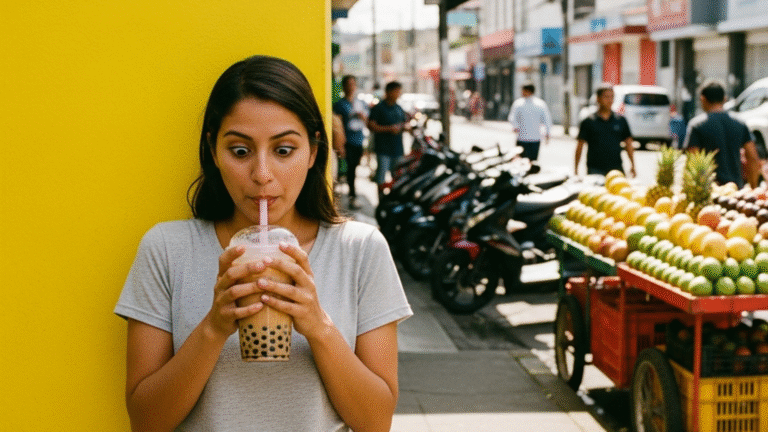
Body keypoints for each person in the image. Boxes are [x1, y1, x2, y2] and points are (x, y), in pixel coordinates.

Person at [114, 55, 412, 432]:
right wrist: (214, 327)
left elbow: (375, 421)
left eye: (284, 150)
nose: (262, 174)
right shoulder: (167, 249)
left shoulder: (360, 249)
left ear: (313, 152)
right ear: (214, 151)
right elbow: (145, 421)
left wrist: (318, 325)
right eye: (240, 151)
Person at [683, 79, 760, 188]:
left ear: (702, 99)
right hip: (736, 192)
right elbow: (753, 158)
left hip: (708, 192)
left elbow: (692, 162)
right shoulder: (740, 123)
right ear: (724, 99)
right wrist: (753, 188)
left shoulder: (696, 125)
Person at [574, 83, 637, 177]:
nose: (609, 100)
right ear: (598, 99)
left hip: (616, 169)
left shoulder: (620, 120)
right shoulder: (588, 121)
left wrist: (633, 165)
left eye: (612, 97)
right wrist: (576, 169)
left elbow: (628, 144)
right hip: (595, 170)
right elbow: (580, 146)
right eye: (606, 97)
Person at [333, 75, 368, 210]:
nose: (351, 86)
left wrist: (362, 117)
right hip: (346, 141)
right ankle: (352, 196)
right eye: (348, 84)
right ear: (344, 86)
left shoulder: (360, 103)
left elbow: (367, 122)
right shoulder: (340, 105)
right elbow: (338, 125)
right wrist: (340, 144)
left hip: (358, 140)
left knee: (354, 168)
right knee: (350, 170)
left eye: (353, 83)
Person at [367, 81, 410, 189]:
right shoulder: (379, 108)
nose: (398, 94)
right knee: (381, 177)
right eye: (396, 91)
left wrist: (405, 127)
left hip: (397, 149)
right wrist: (389, 129)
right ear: (388, 92)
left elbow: (404, 123)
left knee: (397, 177)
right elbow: (371, 126)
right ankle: (381, 201)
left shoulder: (399, 108)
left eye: (399, 92)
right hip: (383, 149)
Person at [508, 83, 553, 161]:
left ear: (527, 91)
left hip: (525, 138)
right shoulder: (540, 104)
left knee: (522, 161)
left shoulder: (519, 103)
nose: (522, 92)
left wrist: (515, 127)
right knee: (530, 161)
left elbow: (512, 118)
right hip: (532, 138)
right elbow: (547, 120)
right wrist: (547, 133)